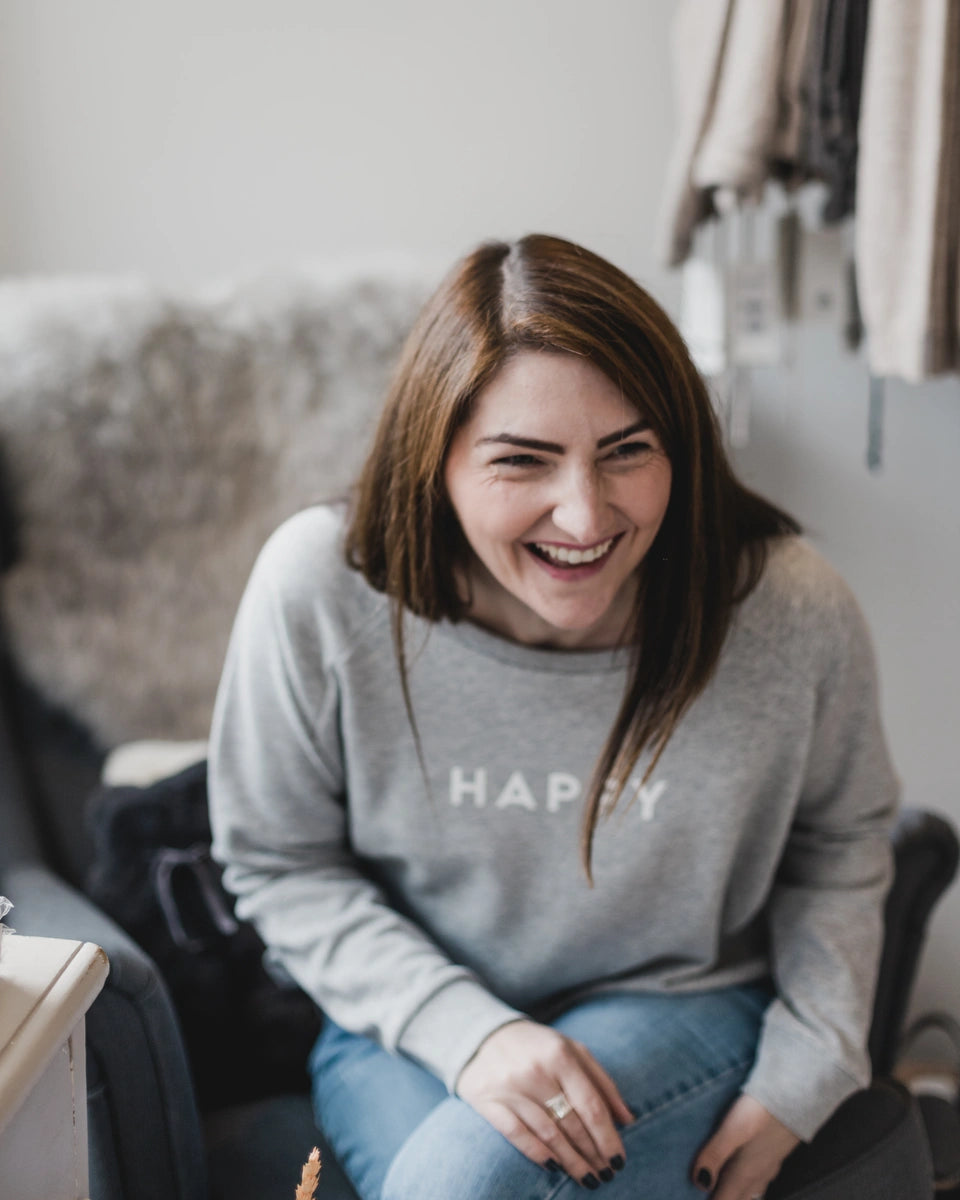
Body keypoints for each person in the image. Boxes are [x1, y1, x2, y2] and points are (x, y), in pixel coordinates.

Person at [207, 234, 898, 1200]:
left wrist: (812, 1065)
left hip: (678, 1004)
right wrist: (470, 1033)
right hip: (410, 1020)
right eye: (522, 461)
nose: (584, 516)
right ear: (435, 462)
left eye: (627, 452)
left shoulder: (787, 610)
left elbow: (843, 844)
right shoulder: (322, 590)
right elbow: (278, 859)